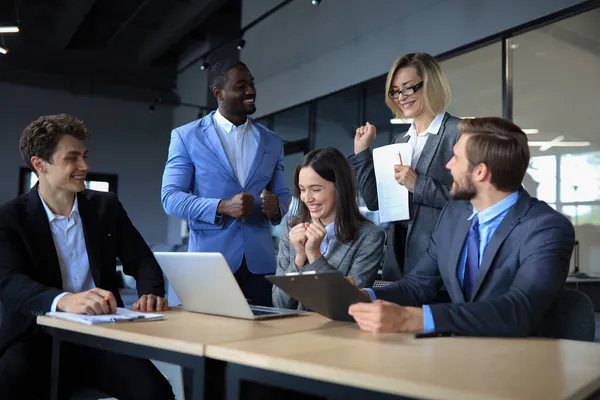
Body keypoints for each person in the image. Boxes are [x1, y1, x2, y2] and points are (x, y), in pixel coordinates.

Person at [348, 117, 575, 337]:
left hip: (521, 361)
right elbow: (416, 286)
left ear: (480, 172)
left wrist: (416, 319)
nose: (448, 165)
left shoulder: (546, 228)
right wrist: (360, 295)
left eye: (455, 158)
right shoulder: (453, 215)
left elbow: (519, 310)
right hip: (458, 353)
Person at [0, 114, 173, 399]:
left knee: (156, 393)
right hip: (34, 337)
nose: (85, 167)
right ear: (39, 164)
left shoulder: (106, 206)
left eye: (84, 156)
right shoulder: (9, 218)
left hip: (100, 336)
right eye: (72, 158)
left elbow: (141, 259)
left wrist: (151, 292)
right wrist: (64, 300)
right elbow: (8, 282)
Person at [162, 60, 292, 307]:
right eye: (241, 85)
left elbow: (284, 194)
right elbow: (170, 198)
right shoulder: (186, 136)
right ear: (218, 93)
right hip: (210, 264)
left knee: (261, 338)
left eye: (251, 84)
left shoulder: (272, 141)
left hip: (260, 266)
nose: (251, 91)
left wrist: (277, 206)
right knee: (209, 338)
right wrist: (222, 206)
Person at [349, 52, 461, 280]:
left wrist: (418, 185)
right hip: (398, 262)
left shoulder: (457, 133)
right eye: (396, 91)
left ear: (431, 85)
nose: (401, 97)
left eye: (409, 88)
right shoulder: (401, 141)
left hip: (439, 266)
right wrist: (362, 152)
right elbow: (375, 201)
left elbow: (472, 204)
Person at [273, 148, 385, 310]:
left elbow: (349, 305)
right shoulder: (291, 228)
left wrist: (315, 256)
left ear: (340, 188)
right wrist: (299, 258)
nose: (307, 198)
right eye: (302, 189)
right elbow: (279, 304)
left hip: (337, 332)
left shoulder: (369, 237)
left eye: (316, 189)